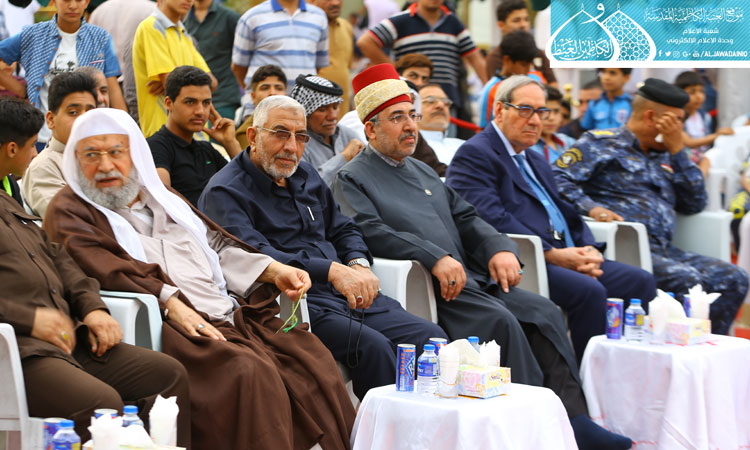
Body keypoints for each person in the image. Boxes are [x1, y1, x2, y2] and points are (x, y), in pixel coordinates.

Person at [331, 64, 633, 450]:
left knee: (543, 312)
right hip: (433, 287)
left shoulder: (421, 170)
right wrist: (435, 256)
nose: (409, 126)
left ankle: (573, 421)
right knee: (502, 322)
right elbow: (368, 231)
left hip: (471, 277)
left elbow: (468, 217)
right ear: (370, 129)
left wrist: (499, 247)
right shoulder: (351, 177)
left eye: (412, 116)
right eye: (396, 118)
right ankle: (526, 433)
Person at [43, 108, 355, 450]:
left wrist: (273, 269)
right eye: (91, 155)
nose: (105, 166)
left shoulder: (164, 197)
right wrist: (172, 303)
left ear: (135, 155)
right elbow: (105, 267)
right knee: (248, 371)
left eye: (116, 152)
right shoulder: (70, 210)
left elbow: (217, 246)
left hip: (231, 311)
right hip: (173, 326)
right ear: (75, 160)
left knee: (312, 356)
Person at [198, 95, 447, 401]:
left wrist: (357, 263)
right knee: (375, 348)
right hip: (292, 303)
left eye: (301, 136)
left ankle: (427, 422)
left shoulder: (304, 175)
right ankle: (382, 428)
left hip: (347, 293)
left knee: (431, 338)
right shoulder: (225, 191)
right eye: (280, 134)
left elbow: (343, 227)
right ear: (252, 135)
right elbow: (254, 256)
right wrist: (330, 271)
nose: (292, 147)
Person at [0, 97, 190, 445]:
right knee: (102, 405)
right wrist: (31, 320)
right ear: (12, 149)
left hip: (71, 336)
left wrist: (93, 308)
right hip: (21, 351)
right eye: (31, 146)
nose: (35, 154)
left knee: (167, 376)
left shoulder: (7, 199)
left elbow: (59, 259)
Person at [445, 76, 656, 360]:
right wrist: (553, 254)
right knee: (589, 291)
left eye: (541, 111)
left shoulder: (534, 158)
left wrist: (588, 248)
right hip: (526, 258)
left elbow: (564, 209)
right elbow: (488, 218)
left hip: (564, 254)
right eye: (525, 110)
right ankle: (584, 376)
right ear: (499, 110)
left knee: (639, 281)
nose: (535, 120)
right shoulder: (475, 153)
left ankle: (626, 367)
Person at [553, 78, 749, 336]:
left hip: (664, 250)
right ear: (650, 117)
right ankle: (675, 350)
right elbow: (556, 178)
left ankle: (705, 347)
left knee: (734, 278)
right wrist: (591, 207)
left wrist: (678, 151)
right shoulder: (601, 144)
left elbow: (695, 203)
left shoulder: (669, 153)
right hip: (621, 247)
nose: (680, 128)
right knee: (688, 280)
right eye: (676, 120)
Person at [0, 0, 124, 150]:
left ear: (86, 2)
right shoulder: (33, 35)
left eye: (78, 0)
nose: (72, 6)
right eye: (66, 0)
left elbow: (112, 88)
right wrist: (20, 89)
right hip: (41, 138)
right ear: (54, 1)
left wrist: (124, 132)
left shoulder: (100, 38)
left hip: (88, 138)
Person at [357, 0, 488, 111]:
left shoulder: (454, 23)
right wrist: (394, 71)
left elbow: (475, 57)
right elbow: (365, 42)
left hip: (445, 102)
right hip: (410, 100)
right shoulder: (400, 21)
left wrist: (489, 90)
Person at [147, 66, 240, 206]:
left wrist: (230, 142)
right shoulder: (156, 147)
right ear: (169, 103)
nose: (200, 111)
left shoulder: (206, 149)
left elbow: (250, 188)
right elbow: (163, 204)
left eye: (206, 103)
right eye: (190, 102)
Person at [132, 0, 217, 138]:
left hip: (194, 136)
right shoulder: (151, 27)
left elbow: (211, 83)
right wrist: (175, 81)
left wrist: (175, 81)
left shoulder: (183, 34)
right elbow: (170, 82)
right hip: (163, 134)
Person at [22, 72, 97, 218]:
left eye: (90, 112)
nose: (83, 120)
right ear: (50, 120)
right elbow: (69, 220)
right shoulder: (44, 167)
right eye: (73, 112)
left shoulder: (106, 158)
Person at [232, 0, 329, 110]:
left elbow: (318, 65)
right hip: (261, 108)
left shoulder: (319, 17)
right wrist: (262, 92)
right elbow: (239, 67)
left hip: (303, 108)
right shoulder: (252, 17)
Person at [289, 74, 364, 184]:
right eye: (322, 109)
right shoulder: (295, 144)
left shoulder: (348, 134)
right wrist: (344, 157)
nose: (332, 116)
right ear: (305, 113)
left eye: (335, 107)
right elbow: (309, 186)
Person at [88, 0, 156, 121]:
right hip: (139, 84)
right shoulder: (151, 9)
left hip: (105, 86)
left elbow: (91, 52)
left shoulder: (100, 11)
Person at [185, 0, 242, 121]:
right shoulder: (182, 18)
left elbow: (242, 57)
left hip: (223, 98)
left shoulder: (229, 17)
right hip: (190, 97)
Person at [478, 30, 544, 129]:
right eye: (523, 64)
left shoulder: (536, 79)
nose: (527, 70)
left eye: (530, 64)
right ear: (507, 60)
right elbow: (484, 128)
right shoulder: (491, 90)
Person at [675, 70, 734, 177]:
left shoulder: (705, 117)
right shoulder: (679, 117)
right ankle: (697, 181)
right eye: (692, 92)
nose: (699, 96)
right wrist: (717, 135)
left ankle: (698, 179)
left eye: (701, 91)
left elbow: (708, 142)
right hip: (685, 158)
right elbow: (689, 142)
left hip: (704, 157)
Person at [485, 0, 556, 85]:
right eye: (516, 20)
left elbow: (553, 85)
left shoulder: (538, 53)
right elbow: (499, 90)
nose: (523, 25)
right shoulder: (495, 57)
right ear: (501, 25)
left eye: (526, 20)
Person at [309, 0, 353, 119]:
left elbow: (346, 67)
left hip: (341, 111)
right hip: (314, 111)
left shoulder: (346, 26)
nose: (335, 3)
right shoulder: (306, 28)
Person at [235, 64, 288, 149]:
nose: (272, 93)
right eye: (265, 88)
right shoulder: (245, 132)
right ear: (253, 97)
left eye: (278, 88)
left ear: (286, 95)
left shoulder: (296, 127)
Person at [417, 83, 464, 165]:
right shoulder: (410, 149)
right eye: (430, 101)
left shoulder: (464, 145)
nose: (441, 105)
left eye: (446, 102)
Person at [528, 85, 576, 163]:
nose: (551, 118)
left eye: (556, 111)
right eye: (544, 111)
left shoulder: (569, 142)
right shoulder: (526, 146)